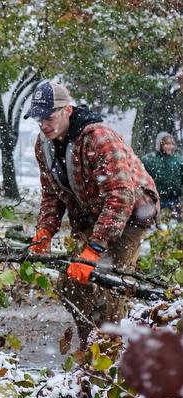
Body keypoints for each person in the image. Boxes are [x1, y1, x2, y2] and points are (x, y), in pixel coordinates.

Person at [25, 81, 159, 348]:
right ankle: (92, 345)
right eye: (38, 119)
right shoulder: (44, 145)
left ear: (67, 110)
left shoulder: (100, 139)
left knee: (112, 285)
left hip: (131, 213)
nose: (43, 125)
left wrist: (94, 249)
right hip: (92, 213)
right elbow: (52, 193)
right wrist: (45, 230)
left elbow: (120, 198)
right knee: (70, 283)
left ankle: (113, 354)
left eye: (49, 118)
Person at [141, 132, 181, 218]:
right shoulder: (148, 160)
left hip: (174, 201)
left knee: (175, 227)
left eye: (172, 144)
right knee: (156, 228)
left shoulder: (179, 161)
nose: (170, 146)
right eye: (167, 144)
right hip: (155, 201)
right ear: (159, 144)